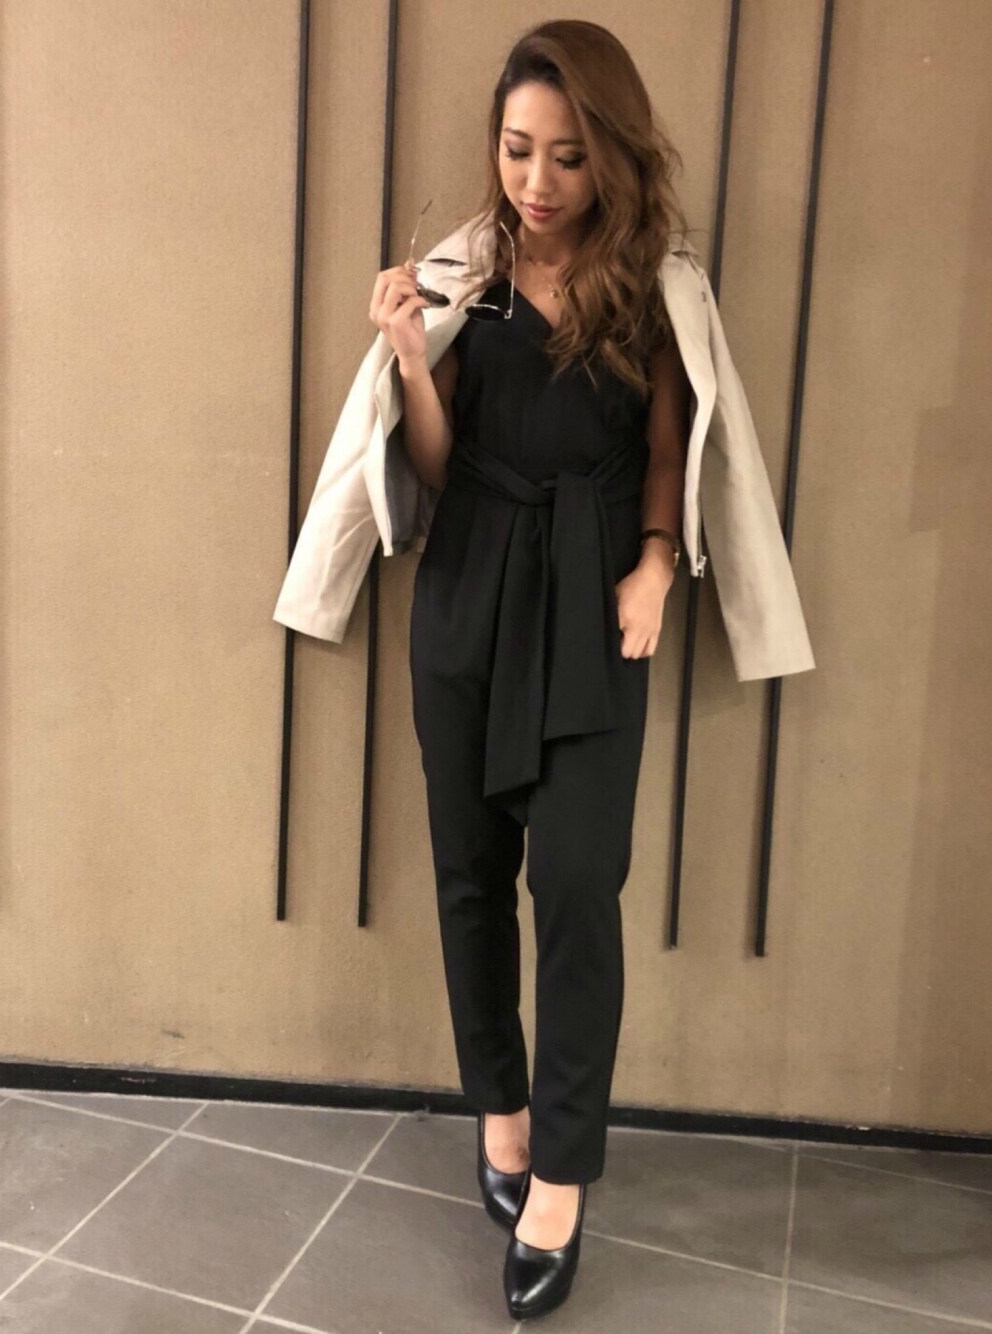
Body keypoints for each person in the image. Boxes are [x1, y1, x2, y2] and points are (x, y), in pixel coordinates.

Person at [368, 19, 701, 1321]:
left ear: (609, 153)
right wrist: (410, 358)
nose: (538, 181)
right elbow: (437, 465)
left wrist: (657, 561)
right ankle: (498, 1114)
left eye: (567, 155)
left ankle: (561, 1172)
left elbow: (670, 439)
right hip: (468, 589)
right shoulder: (470, 273)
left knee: (574, 883)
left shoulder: (653, 281)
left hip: (596, 601)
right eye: (518, 150)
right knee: (469, 874)